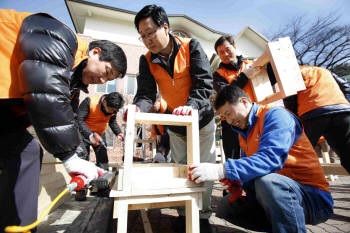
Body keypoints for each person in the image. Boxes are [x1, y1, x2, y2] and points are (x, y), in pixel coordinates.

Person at [0, 9, 127, 231]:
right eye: (107, 71)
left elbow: (66, 117)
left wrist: (78, 158)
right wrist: (70, 155)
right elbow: (49, 96)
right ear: (95, 52)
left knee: (27, 151)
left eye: (110, 79)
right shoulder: (59, 37)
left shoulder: (73, 85)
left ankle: (19, 226)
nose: (103, 80)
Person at [189, 85, 334, 233]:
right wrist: (238, 184)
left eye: (229, 113)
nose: (229, 121)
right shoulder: (243, 133)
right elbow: (254, 172)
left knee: (268, 183)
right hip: (281, 193)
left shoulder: (276, 115)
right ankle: (283, 226)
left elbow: (270, 159)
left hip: (313, 198)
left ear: (244, 101)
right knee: (227, 207)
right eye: (224, 117)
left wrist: (223, 169)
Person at [131, 4, 216, 232]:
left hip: (202, 119)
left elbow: (204, 83)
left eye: (150, 33)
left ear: (165, 27)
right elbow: (146, 93)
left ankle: (203, 216)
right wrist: (137, 108)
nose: (147, 39)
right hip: (176, 125)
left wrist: (191, 106)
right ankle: (184, 213)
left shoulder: (191, 46)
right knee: (181, 169)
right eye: (142, 36)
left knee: (204, 168)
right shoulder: (146, 60)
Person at [283, 66, 350, 173]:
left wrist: (296, 120)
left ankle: (299, 184)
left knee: (301, 155)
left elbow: (290, 99)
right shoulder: (324, 71)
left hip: (313, 114)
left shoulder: (293, 73)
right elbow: (346, 86)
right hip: (342, 112)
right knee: (346, 153)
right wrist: (343, 103)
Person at [213, 35, 255, 160]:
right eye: (221, 52)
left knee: (255, 153)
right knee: (233, 157)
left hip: (254, 116)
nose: (225, 54)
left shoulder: (250, 65)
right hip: (231, 122)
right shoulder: (218, 75)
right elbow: (227, 93)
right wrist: (244, 76)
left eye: (228, 49)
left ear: (234, 47)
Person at [77, 92, 124, 170]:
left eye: (114, 110)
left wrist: (119, 133)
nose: (112, 112)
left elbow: (112, 121)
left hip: (99, 135)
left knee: (103, 162)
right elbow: (79, 120)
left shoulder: (113, 109)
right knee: (83, 159)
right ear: (104, 102)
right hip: (83, 134)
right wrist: (90, 134)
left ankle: (103, 180)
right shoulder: (90, 102)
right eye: (111, 109)